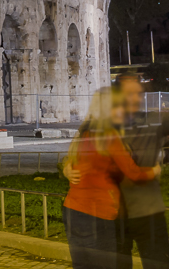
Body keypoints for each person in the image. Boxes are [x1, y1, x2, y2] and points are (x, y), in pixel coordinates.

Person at [62, 86, 159, 268]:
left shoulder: (85, 131)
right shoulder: (109, 135)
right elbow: (134, 173)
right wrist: (155, 171)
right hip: (99, 212)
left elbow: (73, 159)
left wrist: (67, 168)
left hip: (74, 210)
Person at [110, 72, 169, 269]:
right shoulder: (100, 125)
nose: (137, 98)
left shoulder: (152, 119)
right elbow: (75, 155)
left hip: (148, 210)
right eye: (131, 93)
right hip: (114, 211)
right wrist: (69, 167)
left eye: (139, 93)